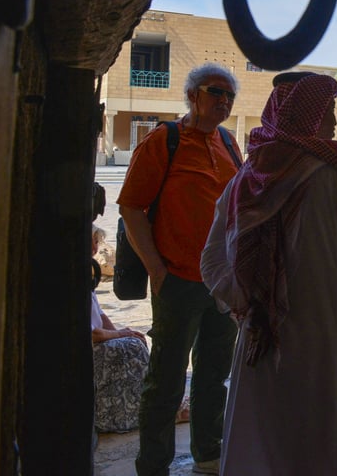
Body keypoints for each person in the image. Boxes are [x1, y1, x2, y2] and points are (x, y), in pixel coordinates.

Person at [200, 74, 337, 476]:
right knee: (322, 438)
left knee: (269, 442)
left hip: (263, 345)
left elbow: (211, 264)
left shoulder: (246, 179)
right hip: (326, 343)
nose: (334, 123)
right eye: (328, 112)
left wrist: (253, 306)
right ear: (304, 117)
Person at [117, 62, 243, 476]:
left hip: (221, 283)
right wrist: (156, 267)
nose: (224, 101)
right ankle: (153, 465)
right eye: (216, 92)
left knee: (213, 376)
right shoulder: (164, 141)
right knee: (166, 381)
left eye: (229, 95)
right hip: (178, 281)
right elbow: (131, 206)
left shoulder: (228, 143)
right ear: (193, 95)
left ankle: (208, 455)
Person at [90, 225, 150, 434]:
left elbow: (102, 316)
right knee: (132, 346)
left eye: (96, 242)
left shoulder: (87, 278)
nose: (95, 247)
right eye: (93, 242)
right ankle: (131, 412)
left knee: (133, 341)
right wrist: (121, 335)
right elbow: (94, 334)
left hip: (97, 343)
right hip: (90, 348)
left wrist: (121, 334)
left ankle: (138, 406)